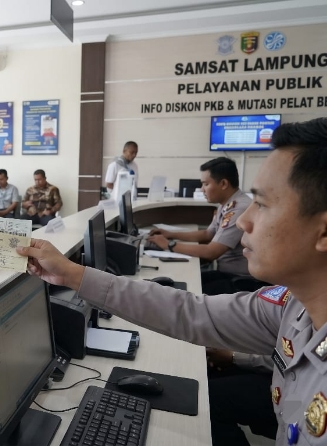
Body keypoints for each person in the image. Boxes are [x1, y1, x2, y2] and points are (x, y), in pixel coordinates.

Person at [17, 117, 327, 446]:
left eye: (261, 205)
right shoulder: (292, 306)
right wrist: (71, 274)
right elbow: (189, 311)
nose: (244, 221)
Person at [147, 157, 252, 295]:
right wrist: (170, 234)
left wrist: (169, 245)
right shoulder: (227, 203)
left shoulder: (238, 208)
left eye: (205, 184)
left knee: (184, 292)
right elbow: (207, 234)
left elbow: (211, 252)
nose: (202, 189)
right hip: (228, 273)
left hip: (241, 281)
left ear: (223, 184)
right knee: (179, 283)